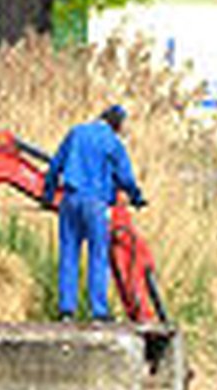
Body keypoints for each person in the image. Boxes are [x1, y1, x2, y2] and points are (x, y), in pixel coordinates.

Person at [42, 104, 146, 323]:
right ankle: (98, 312)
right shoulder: (112, 142)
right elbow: (125, 177)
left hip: (69, 201)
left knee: (69, 255)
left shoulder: (76, 132)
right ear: (116, 124)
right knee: (98, 256)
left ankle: (66, 311)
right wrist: (136, 197)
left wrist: (48, 194)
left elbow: (55, 166)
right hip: (96, 204)